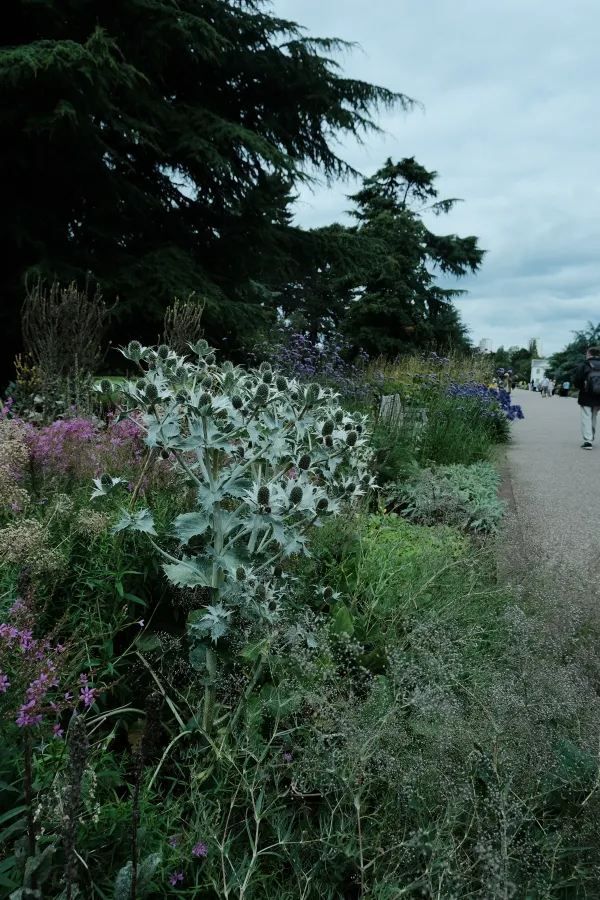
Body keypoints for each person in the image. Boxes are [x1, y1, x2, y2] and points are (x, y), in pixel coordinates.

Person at [573, 346, 600, 449]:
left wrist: (581, 387)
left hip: (586, 395)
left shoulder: (584, 364)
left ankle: (588, 441)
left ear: (589, 354)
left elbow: (577, 380)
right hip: (599, 396)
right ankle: (591, 436)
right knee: (594, 416)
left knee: (586, 416)